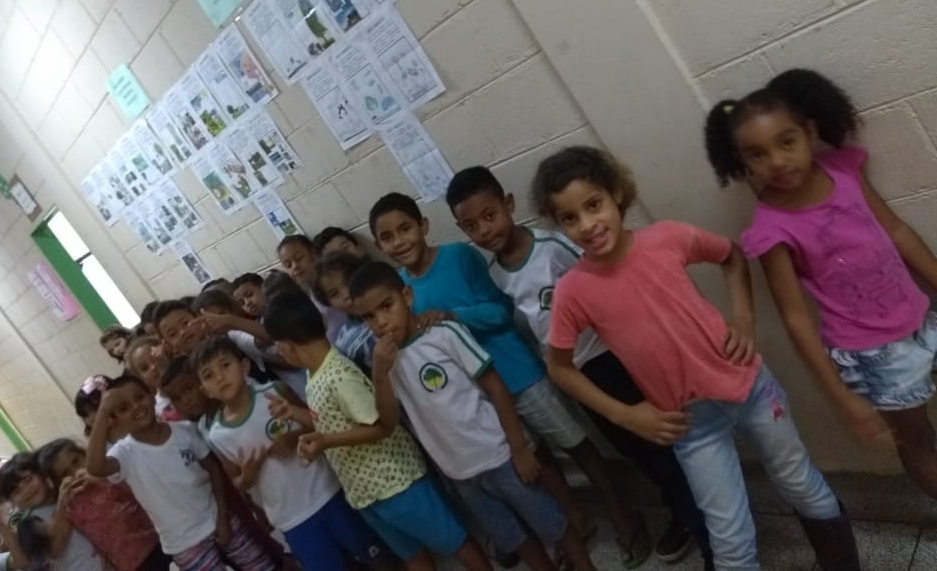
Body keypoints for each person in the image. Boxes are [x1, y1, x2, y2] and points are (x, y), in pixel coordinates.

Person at [533, 145, 859, 571]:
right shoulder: (573, 291)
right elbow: (559, 367)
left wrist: (742, 319)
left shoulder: (666, 237)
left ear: (616, 194)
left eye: (593, 205)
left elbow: (731, 255)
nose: (587, 225)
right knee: (729, 540)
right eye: (569, 218)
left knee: (799, 482)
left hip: (750, 388)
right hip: (689, 423)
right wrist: (625, 415)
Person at [447, 165, 703, 565]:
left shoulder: (551, 247)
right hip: (573, 374)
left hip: (610, 357)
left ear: (508, 204)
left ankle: (696, 515)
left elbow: (602, 281)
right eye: (470, 225)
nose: (483, 230)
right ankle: (682, 508)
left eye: (489, 215)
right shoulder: (494, 276)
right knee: (629, 446)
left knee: (657, 441)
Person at [705, 68, 937, 492]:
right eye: (757, 154)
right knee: (918, 440)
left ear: (810, 133)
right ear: (742, 162)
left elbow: (897, 231)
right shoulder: (771, 230)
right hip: (875, 354)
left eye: (786, 141)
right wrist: (843, 399)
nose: (777, 161)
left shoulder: (845, 172)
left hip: (922, 316)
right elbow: (795, 318)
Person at [367, 192, 599, 548]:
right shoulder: (397, 290)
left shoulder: (458, 256)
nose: (399, 242)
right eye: (387, 237)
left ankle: (624, 517)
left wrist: (453, 316)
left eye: (405, 229)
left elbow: (501, 310)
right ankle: (574, 522)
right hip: (481, 398)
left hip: (517, 374)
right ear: (379, 246)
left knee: (577, 445)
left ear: (423, 225)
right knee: (536, 461)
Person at [262, 291, 491, 571]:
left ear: (287, 347)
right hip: (367, 493)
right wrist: (295, 413)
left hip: (396, 483)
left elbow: (379, 426)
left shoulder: (339, 375)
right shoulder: (315, 373)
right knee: (413, 555)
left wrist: (326, 441)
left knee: (454, 540)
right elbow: (329, 420)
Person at [191, 335, 392, 571]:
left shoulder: (275, 391)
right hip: (292, 518)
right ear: (205, 390)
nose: (220, 377)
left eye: (225, 365)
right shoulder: (217, 436)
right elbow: (238, 481)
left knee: (376, 555)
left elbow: (319, 423)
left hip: (329, 491)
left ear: (244, 366)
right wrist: (249, 475)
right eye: (209, 375)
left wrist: (295, 437)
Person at [85, 375, 277, 571]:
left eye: (140, 397)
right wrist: (103, 410)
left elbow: (213, 469)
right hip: (184, 543)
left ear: (151, 394)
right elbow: (94, 467)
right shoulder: (124, 453)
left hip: (220, 517)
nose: (136, 407)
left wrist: (222, 515)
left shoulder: (184, 431)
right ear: (114, 419)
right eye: (124, 408)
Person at [37, 439, 168, 571]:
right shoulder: (69, 503)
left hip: (158, 541)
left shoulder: (108, 472)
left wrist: (103, 477)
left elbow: (140, 494)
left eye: (76, 461)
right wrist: (61, 504)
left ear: (85, 454)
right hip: (132, 564)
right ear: (57, 482)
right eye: (65, 473)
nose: (75, 472)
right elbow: (56, 547)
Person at [0, 452, 105, 571]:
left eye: (28, 480)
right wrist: (62, 503)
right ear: (11, 501)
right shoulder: (27, 524)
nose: (27, 490)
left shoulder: (58, 497)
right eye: (17, 491)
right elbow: (56, 547)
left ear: (41, 474)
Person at [313, 252, 376, 374]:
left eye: (347, 282)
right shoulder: (345, 345)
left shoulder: (392, 305)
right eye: (334, 294)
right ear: (328, 303)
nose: (346, 295)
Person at [277, 236, 348, 341]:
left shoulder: (336, 280)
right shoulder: (307, 298)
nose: (294, 266)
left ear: (313, 254)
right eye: (288, 265)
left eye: (299, 258)